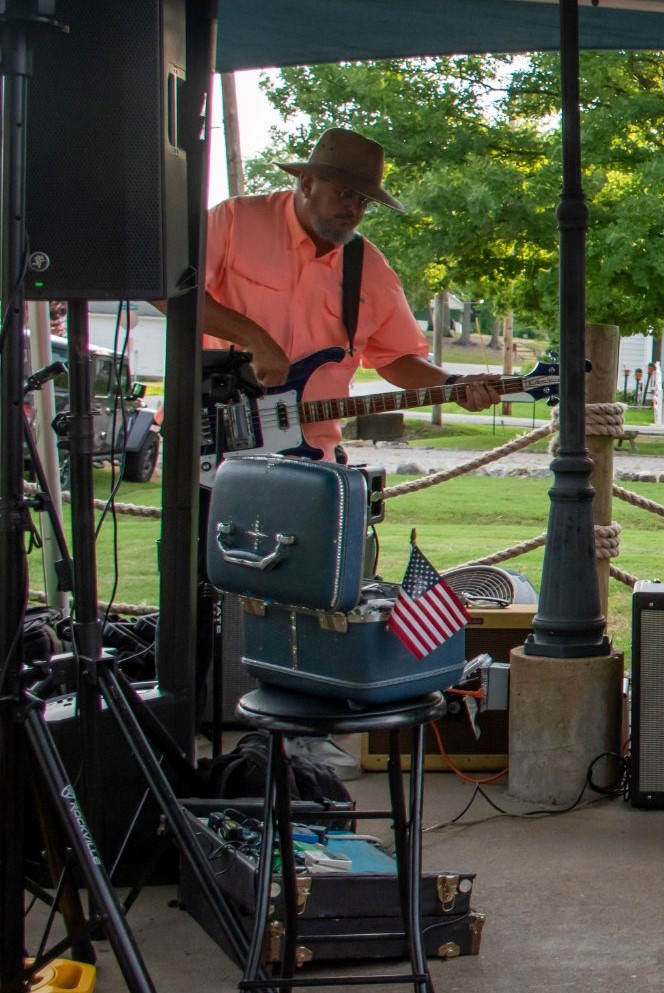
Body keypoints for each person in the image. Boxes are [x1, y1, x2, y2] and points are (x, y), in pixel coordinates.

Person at [200, 127, 504, 778]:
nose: (354, 210)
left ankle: (296, 746)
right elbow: (171, 290)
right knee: (204, 591)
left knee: (315, 593)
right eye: (344, 194)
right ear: (305, 182)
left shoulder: (366, 267)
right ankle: (199, 731)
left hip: (310, 455)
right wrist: (253, 336)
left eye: (364, 201)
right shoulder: (234, 222)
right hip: (221, 435)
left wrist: (456, 385)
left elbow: (397, 359)